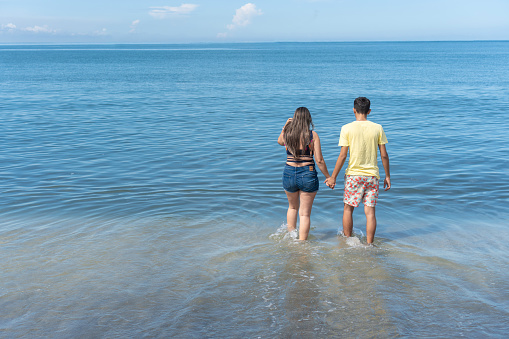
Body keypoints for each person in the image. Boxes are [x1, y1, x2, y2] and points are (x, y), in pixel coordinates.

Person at [325, 97, 391, 244]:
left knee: (348, 209)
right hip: (372, 176)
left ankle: (348, 241)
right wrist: (387, 175)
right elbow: (384, 155)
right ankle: (369, 244)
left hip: (354, 175)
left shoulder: (346, 128)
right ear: (369, 111)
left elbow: (342, 156)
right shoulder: (378, 128)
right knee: (370, 212)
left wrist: (333, 177)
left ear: (354, 110)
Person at [278, 107, 333, 240]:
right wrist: (328, 177)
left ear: (295, 119)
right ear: (308, 119)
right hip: (307, 174)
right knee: (304, 214)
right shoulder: (312, 135)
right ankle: (302, 244)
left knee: (292, 208)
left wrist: (285, 127)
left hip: (289, 173)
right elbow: (319, 160)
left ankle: (291, 239)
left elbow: (280, 141)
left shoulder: (288, 134)